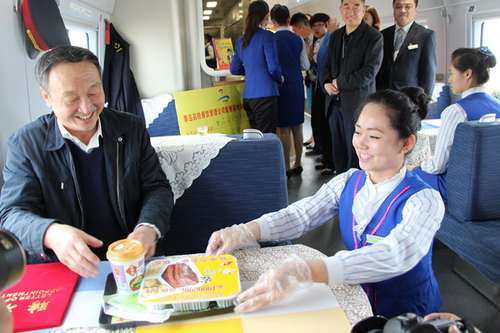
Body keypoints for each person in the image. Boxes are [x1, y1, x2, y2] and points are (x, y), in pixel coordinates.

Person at [207, 89, 445, 318]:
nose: (360, 143)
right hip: (359, 302)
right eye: (358, 131)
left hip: (410, 315)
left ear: (406, 143)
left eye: (373, 136)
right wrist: (246, 230)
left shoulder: (424, 199)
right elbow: (302, 215)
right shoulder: (348, 182)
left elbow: (396, 254)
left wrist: (308, 270)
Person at [0, 46, 173, 278]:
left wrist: (148, 228)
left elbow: (156, 187)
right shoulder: (26, 144)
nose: (86, 108)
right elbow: (12, 214)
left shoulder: (130, 128)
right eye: (71, 98)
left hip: (131, 261)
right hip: (63, 268)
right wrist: (51, 233)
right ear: (47, 98)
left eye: (94, 92)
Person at [414, 47, 500, 201]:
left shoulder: (456, 111)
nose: (449, 79)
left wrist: (419, 166)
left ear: (467, 74)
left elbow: (438, 165)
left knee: (410, 174)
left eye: (452, 73)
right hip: (493, 186)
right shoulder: (498, 106)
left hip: (459, 188)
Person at [322, 0, 383, 174]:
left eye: (356, 5)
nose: (351, 10)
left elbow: (369, 72)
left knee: (357, 155)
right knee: (339, 153)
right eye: (346, 5)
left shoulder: (373, 37)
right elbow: (327, 66)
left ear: (364, 9)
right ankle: (342, 191)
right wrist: (326, 83)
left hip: (359, 106)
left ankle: (358, 194)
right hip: (334, 104)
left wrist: (340, 83)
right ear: (341, 9)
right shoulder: (335, 36)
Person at [230, 0, 282, 133]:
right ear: (266, 16)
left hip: (248, 97)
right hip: (266, 95)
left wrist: (250, 70)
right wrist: (279, 79)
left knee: (257, 136)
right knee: (267, 138)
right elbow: (273, 68)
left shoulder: (240, 40)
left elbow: (234, 69)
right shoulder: (267, 36)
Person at [271, 5, 309, 177]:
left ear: (272, 21)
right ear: (288, 20)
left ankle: (286, 165)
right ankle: (299, 162)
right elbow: (305, 65)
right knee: (298, 127)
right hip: (296, 85)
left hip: (280, 87)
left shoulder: (270, 40)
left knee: (284, 129)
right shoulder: (298, 39)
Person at [376, 0, 437, 96]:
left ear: (415, 9)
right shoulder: (383, 35)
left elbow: (429, 74)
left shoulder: (425, 36)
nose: (402, 10)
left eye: (407, 6)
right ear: (393, 9)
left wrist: (423, 104)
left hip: (410, 100)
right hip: (384, 98)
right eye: (398, 7)